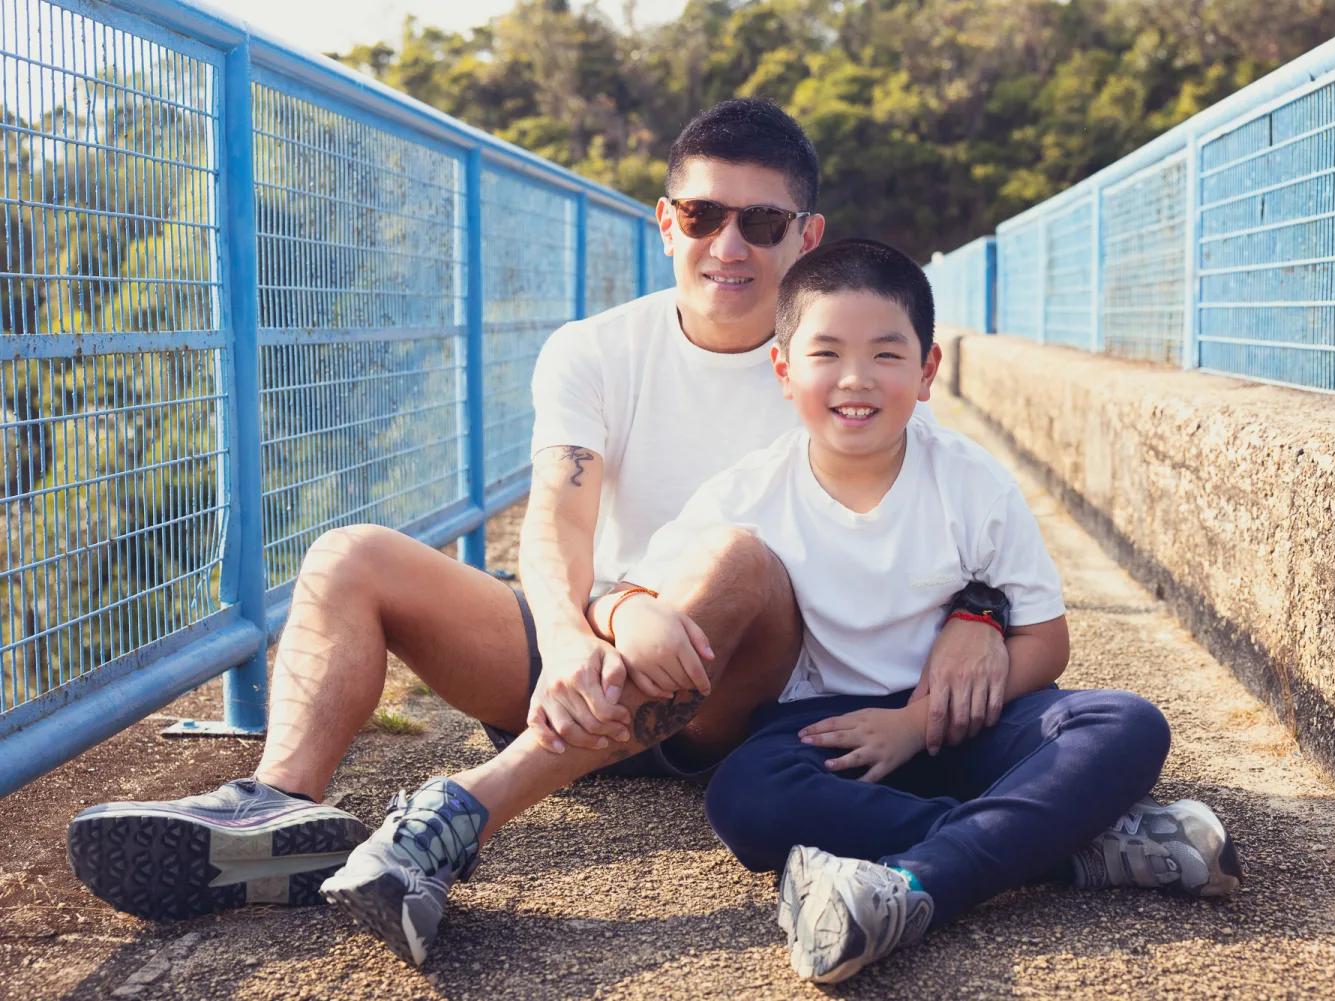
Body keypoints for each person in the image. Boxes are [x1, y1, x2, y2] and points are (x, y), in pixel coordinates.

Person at [66, 101, 1014, 938]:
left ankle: (456, 819)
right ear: (665, 221)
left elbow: (940, 502)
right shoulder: (595, 350)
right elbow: (558, 518)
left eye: (762, 222)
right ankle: (277, 811)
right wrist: (565, 637)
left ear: (806, 235)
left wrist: (979, 607)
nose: (730, 245)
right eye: (703, 215)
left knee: (734, 557)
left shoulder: (831, 369)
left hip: (726, 690)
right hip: (580, 662)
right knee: (350, 554)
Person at [619, 239, 1243, 984]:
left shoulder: (971, 482)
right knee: (743, 799)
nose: (856, 379)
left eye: (887, 355)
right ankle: (1066, 846)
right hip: (824, 736)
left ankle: (914, 884)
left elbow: (1044, 643)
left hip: (959, 724)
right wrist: (626, 612)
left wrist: (916, 721)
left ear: (927, 371)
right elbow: (637, 590)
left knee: (1127, 723)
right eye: (826, 354)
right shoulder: (745, 494)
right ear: (784, 371)